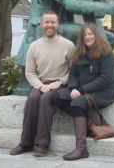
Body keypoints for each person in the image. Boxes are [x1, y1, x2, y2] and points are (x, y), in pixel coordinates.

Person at [10, 11, 75, 157]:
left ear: (57, 24)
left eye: (52, 22)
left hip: (59, 86)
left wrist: (59, 82)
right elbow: (30, 72)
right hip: (40, 83)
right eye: (47, 22)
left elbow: (73, 71)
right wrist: (40, 86)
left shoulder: (68, 45)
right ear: (41, 25)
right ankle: (25, 143)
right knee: (33, 99)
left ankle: (42, 144)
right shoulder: (34, 46)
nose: (49, 25)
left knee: (45, 100)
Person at [52, 23, 114, 161]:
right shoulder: (79, 53)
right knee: (56, 96)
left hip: (104, 92)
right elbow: (73, 74)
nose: (87, 37)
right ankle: (87, 123)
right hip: (81, 90)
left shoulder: (106, 53)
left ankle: (81, 149)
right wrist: (73, 88)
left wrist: (81, 90)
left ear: (96, 35)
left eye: (90, 34)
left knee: (78, 102)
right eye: (85, 35)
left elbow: (105, 79)